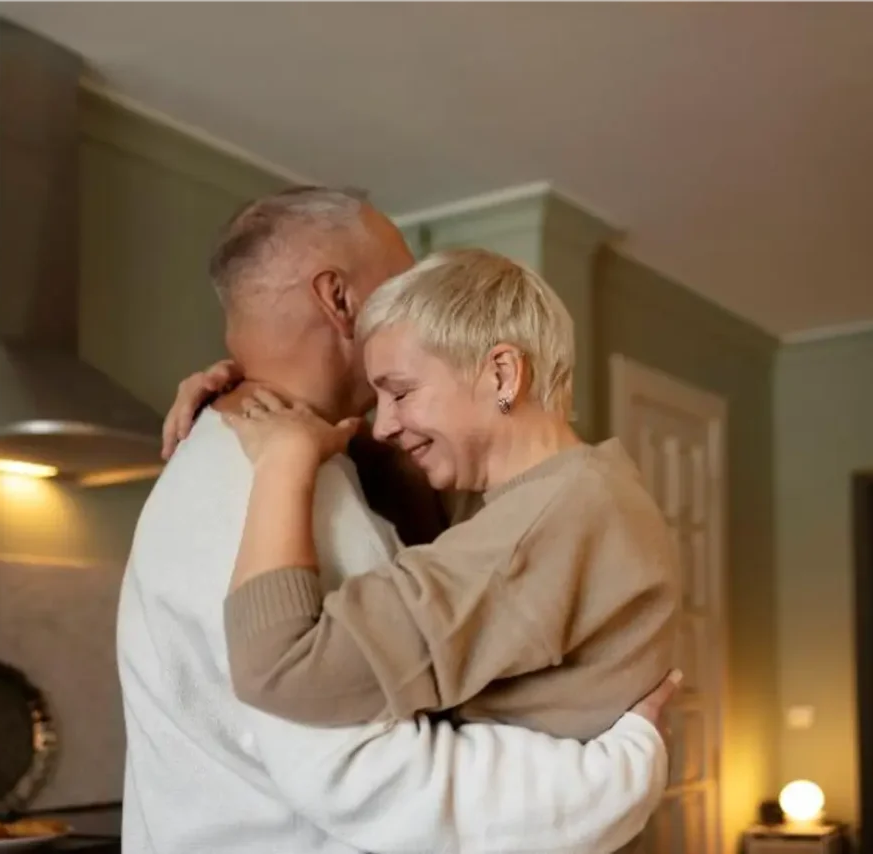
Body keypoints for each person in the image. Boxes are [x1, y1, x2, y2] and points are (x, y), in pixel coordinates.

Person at [116, 186, 676, 853]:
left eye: (402, 392)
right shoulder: (276, 485)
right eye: (400, 279)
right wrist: (625, 772)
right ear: (341, 301)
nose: (387, 422)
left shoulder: (272, 464)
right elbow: (378, 776)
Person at [213, 248, 678, 743]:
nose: (385, 424)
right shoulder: (578, 491)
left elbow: (281, 670)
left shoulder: (544, 523)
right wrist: (239, 387)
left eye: (402, 392)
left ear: (502, 375)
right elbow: (386, 467)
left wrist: (283, 460)